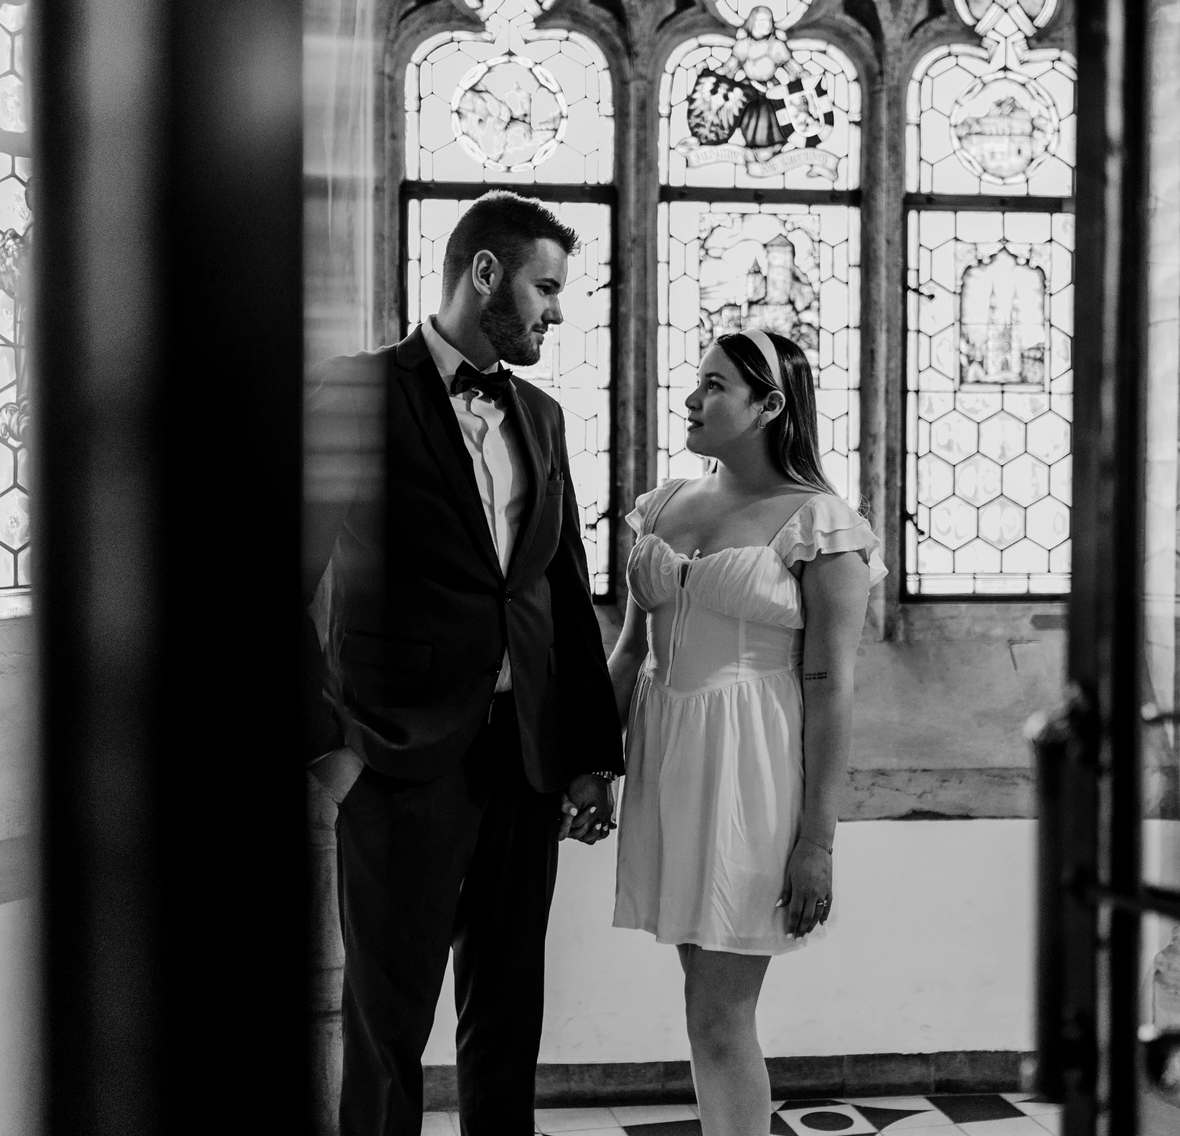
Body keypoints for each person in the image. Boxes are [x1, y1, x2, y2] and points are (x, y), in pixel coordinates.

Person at [303, 191, 624, 1136]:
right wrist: (332, 752)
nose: (556, 312)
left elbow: (562, 592)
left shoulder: (545, 415)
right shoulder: (352, 392)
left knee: (507, 1022)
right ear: (485, 273)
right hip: (397, 760)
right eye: (546, 287)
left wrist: (587, 752)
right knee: (386, 1027)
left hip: (524, 761)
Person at [607, 327, 884, 1136]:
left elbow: (831, 687)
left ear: (770, 405)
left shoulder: (822, 524)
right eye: (697, 380)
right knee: (704, 1007)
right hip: (668, 763)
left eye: (715, 384)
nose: (693, 398)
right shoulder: (663, 504)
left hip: (752, 769)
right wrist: (590, 763)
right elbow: (628, 651)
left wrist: (818, 842)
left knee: (720, 1014)